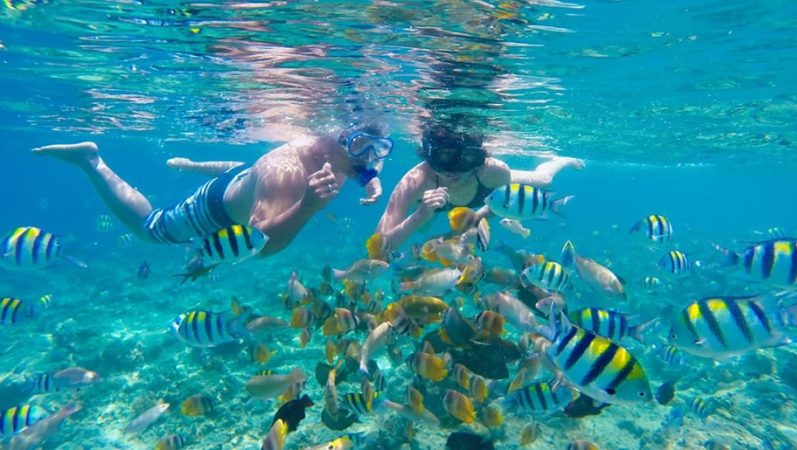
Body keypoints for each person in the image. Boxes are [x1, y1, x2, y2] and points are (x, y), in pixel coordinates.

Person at [32, 124, 392, 256]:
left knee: (241, 171)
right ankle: (92, 161)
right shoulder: (286, 174)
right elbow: (261, 245)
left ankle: (190, 166)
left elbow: (362, 166)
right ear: (338, 139)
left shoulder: (336, 153)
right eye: (362, 145)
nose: (371, 157)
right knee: (150, 229)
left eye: (380, 148)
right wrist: (309, 206)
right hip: (215, 209)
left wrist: (369, 180)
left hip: (240, 177)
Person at [373, 121, 583, 253]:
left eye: (466, 159)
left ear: (478, 158)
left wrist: (463, 227)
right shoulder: (416, 181)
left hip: (484, 185)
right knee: (425, 226)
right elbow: (379, 247)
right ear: (428, 156)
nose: (452, 171)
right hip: (428, 204)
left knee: (545, 179)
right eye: (443, 158)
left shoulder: (493, 171)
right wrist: (420, 214)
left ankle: (562, 160)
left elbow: (500, 206)